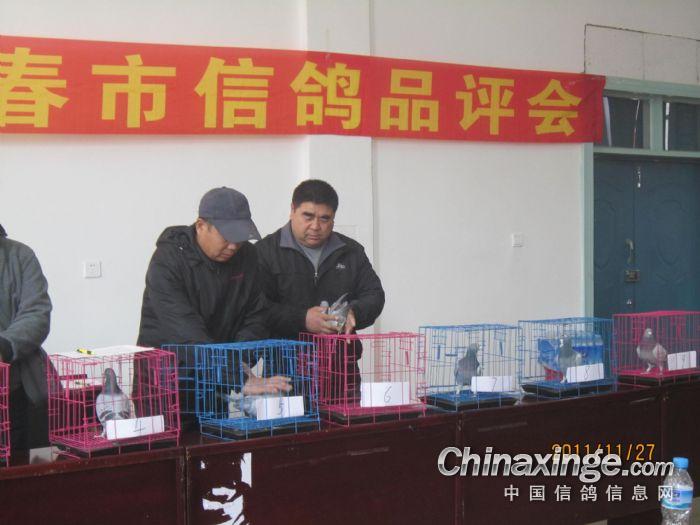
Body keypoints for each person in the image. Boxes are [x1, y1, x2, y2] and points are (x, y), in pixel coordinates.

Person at [137, 187, 290, 426]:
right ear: (201, 226)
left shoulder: (248, 257)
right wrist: (238, 378)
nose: (233, 246)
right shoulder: (167, 261)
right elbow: (185, 333)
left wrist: (238, 364)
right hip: (165, 381)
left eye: (240, 238)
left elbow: (256, 315)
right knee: (165, 445)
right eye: (226, 237)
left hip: (215, 380)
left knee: (213, 443)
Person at [256, 179, 385, 400]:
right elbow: (257, 308)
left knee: (347, 423)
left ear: (333, 219)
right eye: (308, 216)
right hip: (284, 372)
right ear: (292, 211)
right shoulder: (265, 252)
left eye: (324, 219)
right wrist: (302, 319)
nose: (316, 226)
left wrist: (353, 311)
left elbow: (374, 295)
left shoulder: (351, 252)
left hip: (341, 371)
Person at [0, 223, 52, 453]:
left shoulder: (20, 255)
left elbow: (37, 314)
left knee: (31, 468)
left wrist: (5, 346)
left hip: (19, 393)